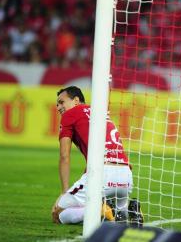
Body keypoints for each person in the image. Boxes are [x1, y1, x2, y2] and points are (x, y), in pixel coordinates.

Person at [51, 86, 143, 225]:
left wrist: (64, 191)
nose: (58, 107)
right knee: (119, 218)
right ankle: (130, 211)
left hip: (102, 173)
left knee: (59, 214)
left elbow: (64, 156)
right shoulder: (100, 112)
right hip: (126, 175)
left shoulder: (69, 115)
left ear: (76, 100)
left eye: (61, 102)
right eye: (57, 104)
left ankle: (101, 209)